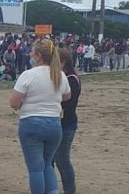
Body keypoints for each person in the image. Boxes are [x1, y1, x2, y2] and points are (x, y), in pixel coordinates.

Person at [9, 38, 71, 194]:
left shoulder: (28, 75)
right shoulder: (60, 75)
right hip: (54, 124)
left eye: (32, 51)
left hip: (31, 123)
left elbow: (14, 103)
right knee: (47, 164)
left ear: (38, 55)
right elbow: (66, 96)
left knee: (35, 168)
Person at [54, 48, 81, 194]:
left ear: (63, 62)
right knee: (51, 159)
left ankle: (69, 190)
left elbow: (69, 103)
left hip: (66, 124)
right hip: (58, 123)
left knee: (62, 160)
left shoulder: (71, 79)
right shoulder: (62, 76)